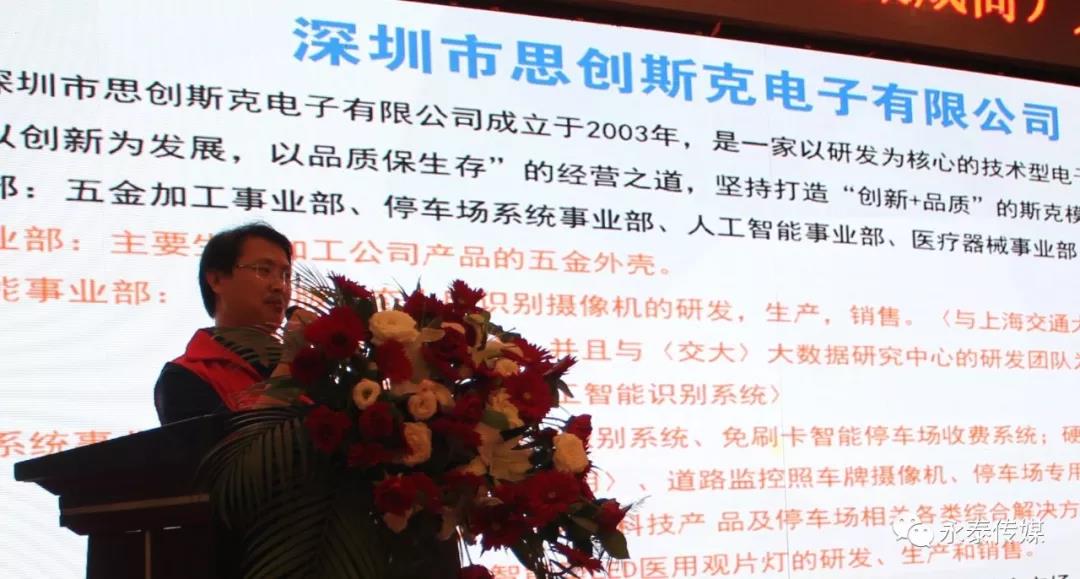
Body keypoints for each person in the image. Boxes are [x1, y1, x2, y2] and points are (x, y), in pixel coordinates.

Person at [154, 222, 293, 425]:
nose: (280, 286)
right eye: (263, 270)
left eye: (286, 275)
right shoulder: (184, 376)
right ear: (217, 280)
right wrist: (291, 360)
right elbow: (244, 444)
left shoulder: (307, 368)